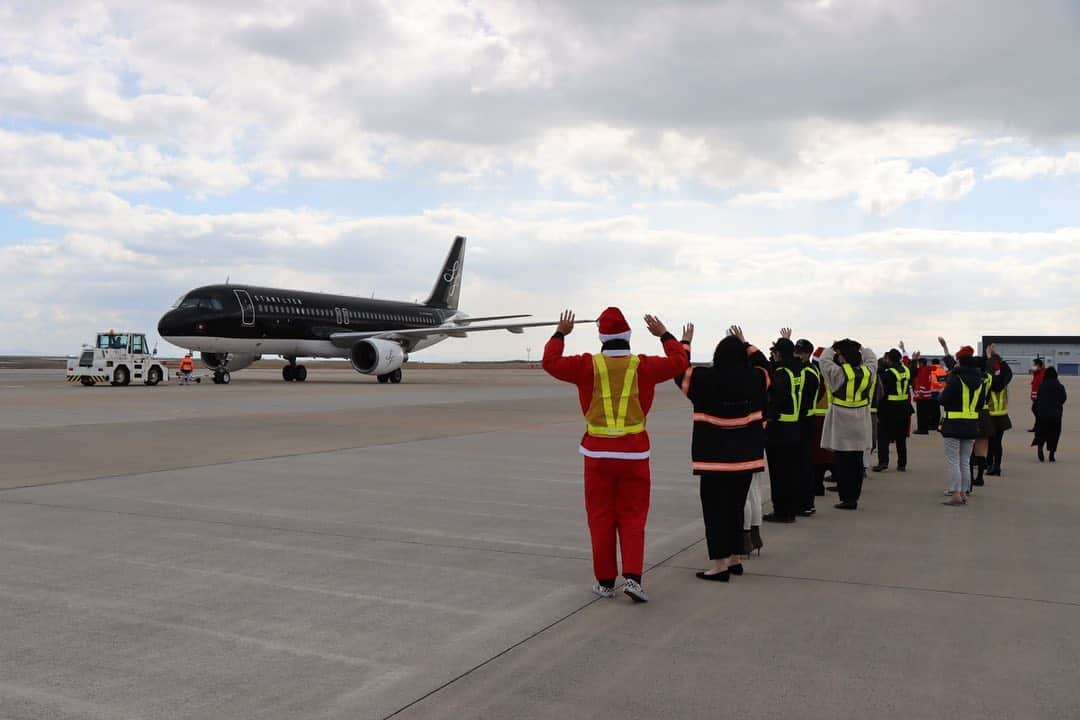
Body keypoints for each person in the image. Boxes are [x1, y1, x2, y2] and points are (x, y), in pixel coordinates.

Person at [542, 307, 689, 603]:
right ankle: (633, 578)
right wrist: (665, 336)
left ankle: (606, 581)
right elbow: (680, 362)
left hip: (597, 454)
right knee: (633, 517)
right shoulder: (642, 366)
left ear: (602, 338)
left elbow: (550, 362)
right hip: (634, 454)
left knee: (600, 517)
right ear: (628, 337)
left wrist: (560, 333)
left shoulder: (588, 366)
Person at [675, 325, 769, 581]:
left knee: (716, 512)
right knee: (736, 508)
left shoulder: (704, 379)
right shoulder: (756, 379)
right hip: (746, 459)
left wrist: (684, 342)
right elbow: (768, 366)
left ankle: (719, 565)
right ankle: (735, 557)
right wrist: (746, 343)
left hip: (714, 460)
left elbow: (678, 369)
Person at [818, 339, 876, 510]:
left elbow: (823, 361)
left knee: (843, 463)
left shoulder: (838, 374)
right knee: (857, 462)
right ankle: (854, 497)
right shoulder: (867, 372)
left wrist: (832, 347)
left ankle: (846, 498)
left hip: (841, 422)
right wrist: (862, 348)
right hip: (860, 420)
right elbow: (872, 359)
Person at [763, 334, 805, 524]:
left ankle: (781, 511)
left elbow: (778, 398)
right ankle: (791, 509)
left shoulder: (781, 372)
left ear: (778, 353)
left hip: (779, 429)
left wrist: (768, 415)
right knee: (790, 472)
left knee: (778, 473)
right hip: (794, 425)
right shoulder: (797, 369)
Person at [940, 346, 987, 506]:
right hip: (972, 424)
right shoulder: (980, 382)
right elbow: (981, 404)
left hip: (953, 423)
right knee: (965, 461)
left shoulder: (956, 378)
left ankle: (955, 494)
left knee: (953, 460)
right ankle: (965, 492)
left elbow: (943, 399)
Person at [872, 347, 913, 472]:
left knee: (883, 435)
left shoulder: (888, 374)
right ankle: (902, 464)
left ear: (889, 359)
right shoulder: (906, 370)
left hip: (889, 408)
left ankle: (883, 462)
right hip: (904, 407)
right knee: (901, 438)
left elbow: (882, 391)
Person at [794, 338, 822, 516]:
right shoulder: (811, 370)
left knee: (803, 464)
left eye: (799, 352)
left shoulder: (808, 372)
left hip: (804, 421)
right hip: (806, 420)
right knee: (802, 464)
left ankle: (805, 503)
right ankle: (805, 502)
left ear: (807, 353)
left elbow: (801, 397)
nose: (796, 354)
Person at [985, 344, 1014, 476]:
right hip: (1002, 415)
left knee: (990, 443)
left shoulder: (989, 380)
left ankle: (990, 464)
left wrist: (989, 358)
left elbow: (988, 371)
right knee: (998, 443)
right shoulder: (1003, 380)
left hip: (990, 415)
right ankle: (997, 466)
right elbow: (1008, 372)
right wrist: (999, 360)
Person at [1033, 367, 1067, 462]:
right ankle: (1051, 454)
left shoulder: (1042, 386)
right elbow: (1063, 398)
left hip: (1043, 415)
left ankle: (1040, 448)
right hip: (1055, 415)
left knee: (1041, 433)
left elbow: (1037, 399)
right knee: (1054, 435)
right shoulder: (1060, 386)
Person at [912, 355, 934, 434]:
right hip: (927, 395)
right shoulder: (928, 370)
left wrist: (919, 395)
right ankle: (924, 428)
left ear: (921, 363)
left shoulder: (923, 371)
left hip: (922, 396)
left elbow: (921, 384)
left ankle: (922, 429)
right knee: (925, 413)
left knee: (921, 414)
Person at [1029, 358, 1047, 432]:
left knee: (1037, 411)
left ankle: (1039, 427)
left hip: (1040, 398)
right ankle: (1038, 427)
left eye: (1034, 364)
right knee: (1036, 411)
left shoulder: (1042, 373)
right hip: (1036, 398)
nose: (1033, 366)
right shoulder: (1036, 373)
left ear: (1038, 365)